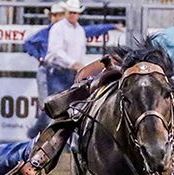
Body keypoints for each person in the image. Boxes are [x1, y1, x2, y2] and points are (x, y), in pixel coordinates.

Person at [24, 0, 122, 137]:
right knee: (57, 106)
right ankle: (48, 138)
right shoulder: (58, 28)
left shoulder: (79, 30)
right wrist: (73, 63)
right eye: (71, 12)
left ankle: (39, 134)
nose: (73, 15)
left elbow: (79, 51)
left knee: (69, 105)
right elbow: (56, 51)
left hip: (70, 73)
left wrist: (78, 65)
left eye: (75, 13)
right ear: (66, 13)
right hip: (58, 71)